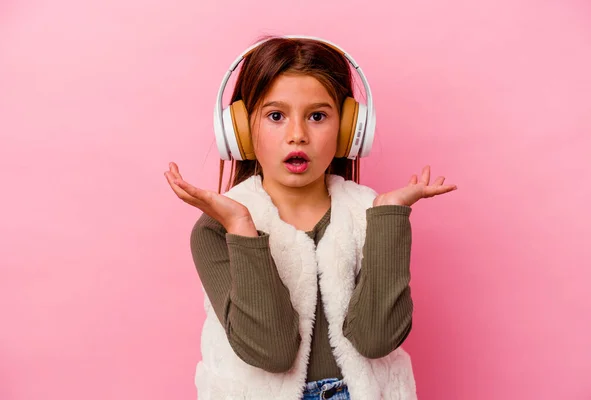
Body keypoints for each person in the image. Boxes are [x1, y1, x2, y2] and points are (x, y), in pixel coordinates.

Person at [164, 35, 457, 400]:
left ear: (350, 129)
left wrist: (388, 217)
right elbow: (271, 350)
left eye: (317, 116)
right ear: (239, 131)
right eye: (276, 116)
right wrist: (242, 229)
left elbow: (376, 338)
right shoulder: (216, 229)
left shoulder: (371, 216)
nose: (297, 135)